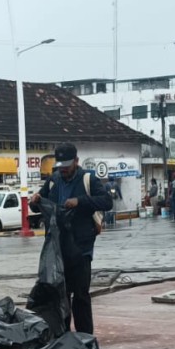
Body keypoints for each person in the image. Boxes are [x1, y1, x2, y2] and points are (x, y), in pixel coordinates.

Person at [30, 142, 113, 334]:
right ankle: (62, 335)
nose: (64, 170)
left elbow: (107, 202)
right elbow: (40, 203)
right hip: (58, 249)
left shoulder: (87, 179)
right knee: (60, 294)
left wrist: (80, 201)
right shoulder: (53, 180)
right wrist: (35, 202)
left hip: (81, 248)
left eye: (67, 165)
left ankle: (84, 336)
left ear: (76, 161)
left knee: (81, 295)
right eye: (61, 166)